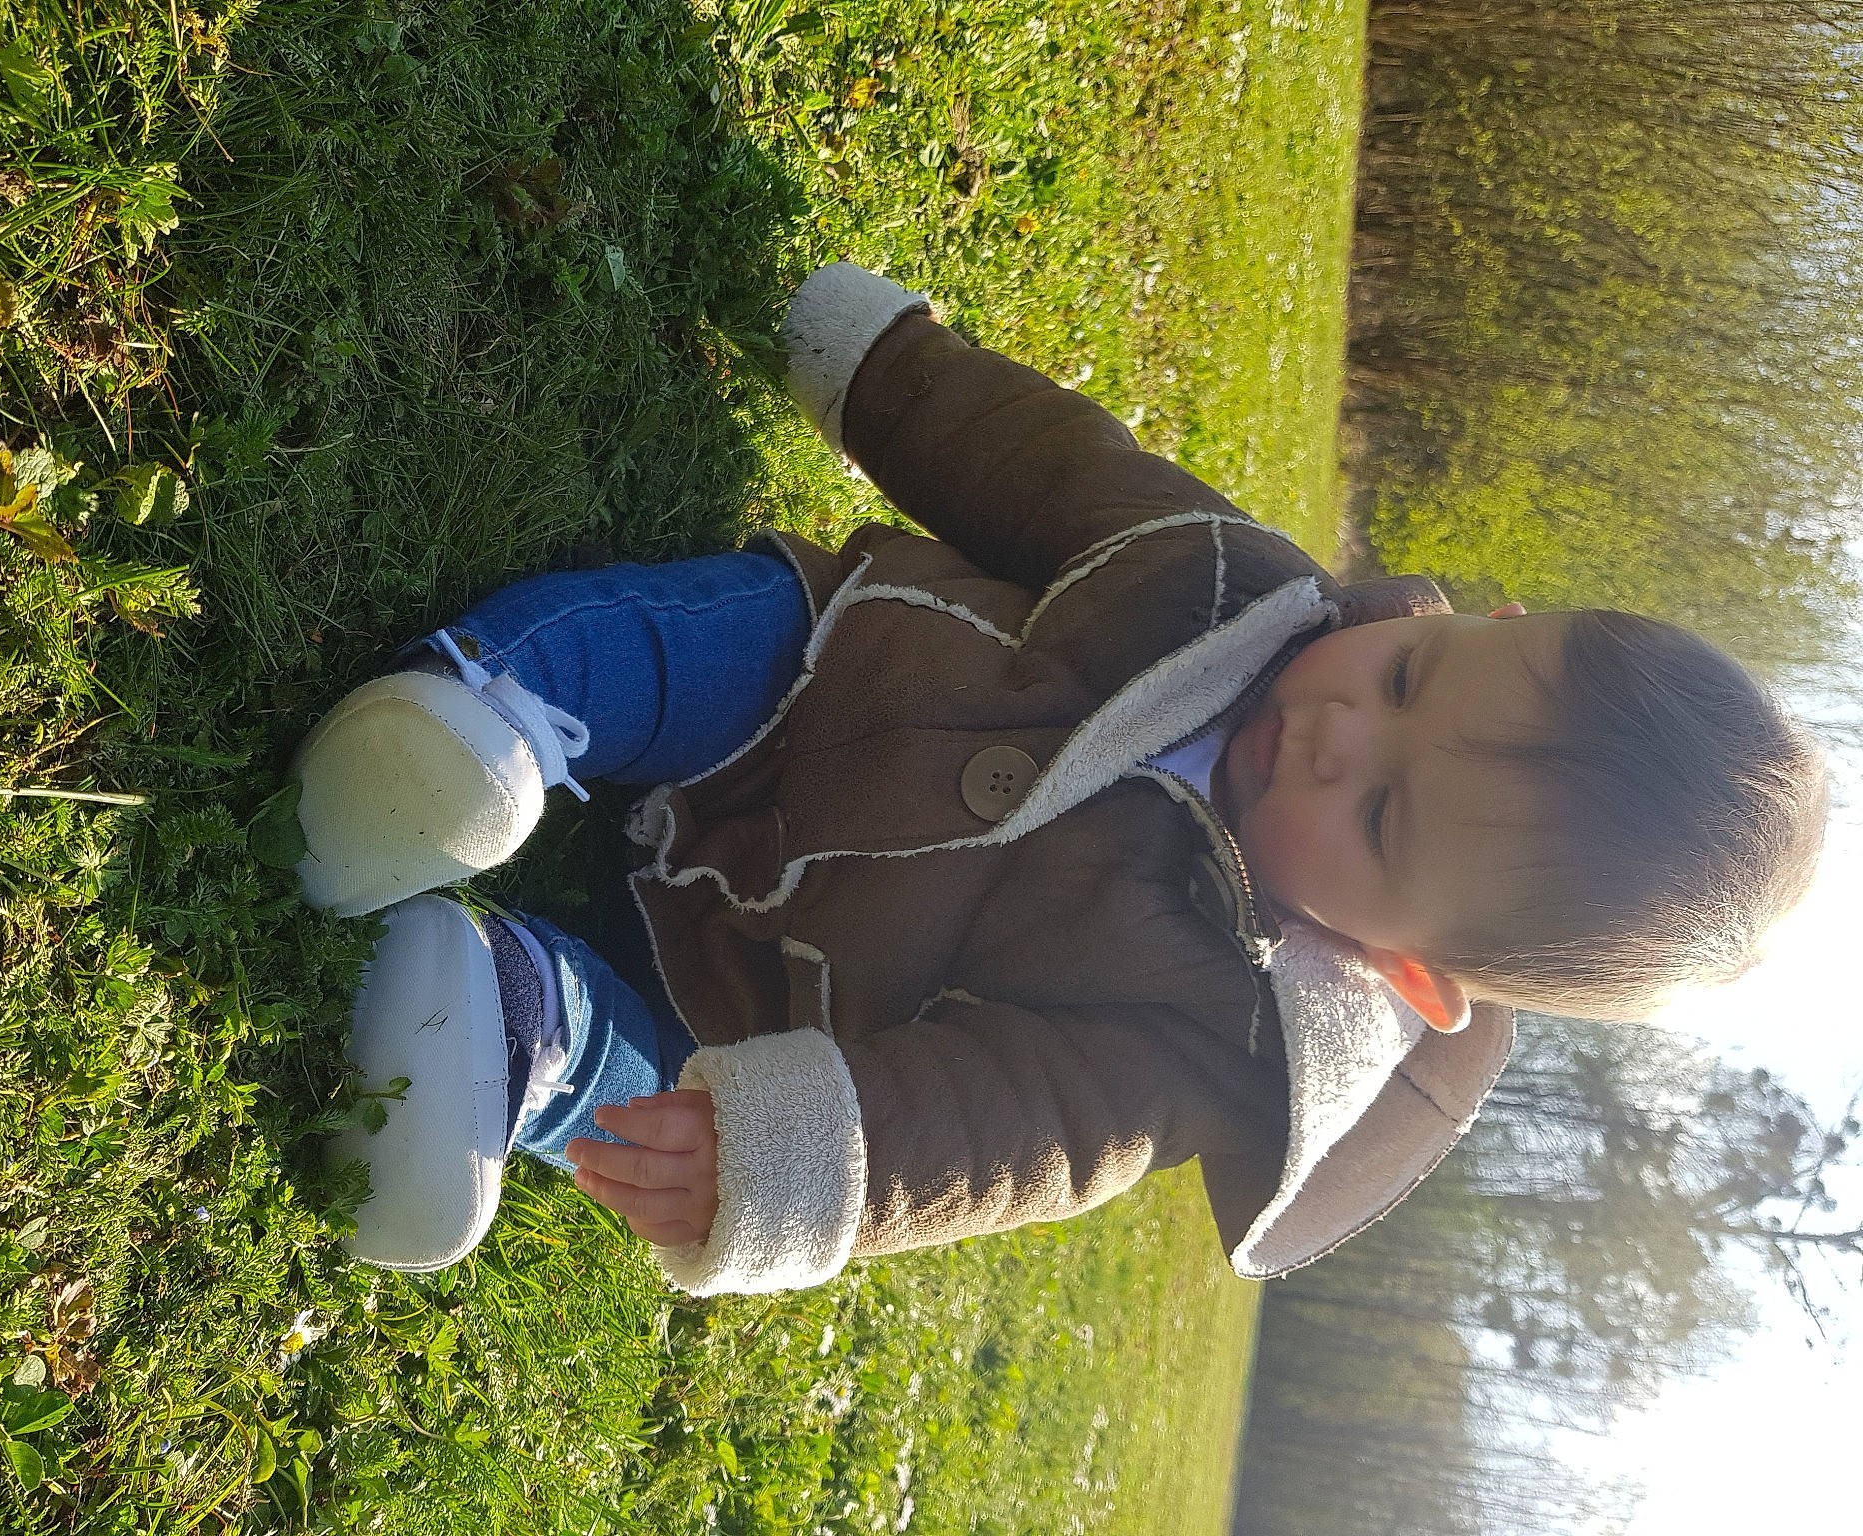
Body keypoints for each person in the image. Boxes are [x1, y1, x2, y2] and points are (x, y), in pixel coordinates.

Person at [288, 262, 1827, 1294]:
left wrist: (798, 1167)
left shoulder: (1205, 1029)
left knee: (672, 1097)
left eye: (1383, 816)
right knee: (684, 639)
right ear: (1478, 621)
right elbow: (1042, 464)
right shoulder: (1228, 581)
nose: (1345, 733)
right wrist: (886, 364)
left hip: (750, 980)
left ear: (1410, 973)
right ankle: (483, 724)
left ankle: (505, 1030)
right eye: (1414, 679)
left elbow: (1014, 1126)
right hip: (819, 679)